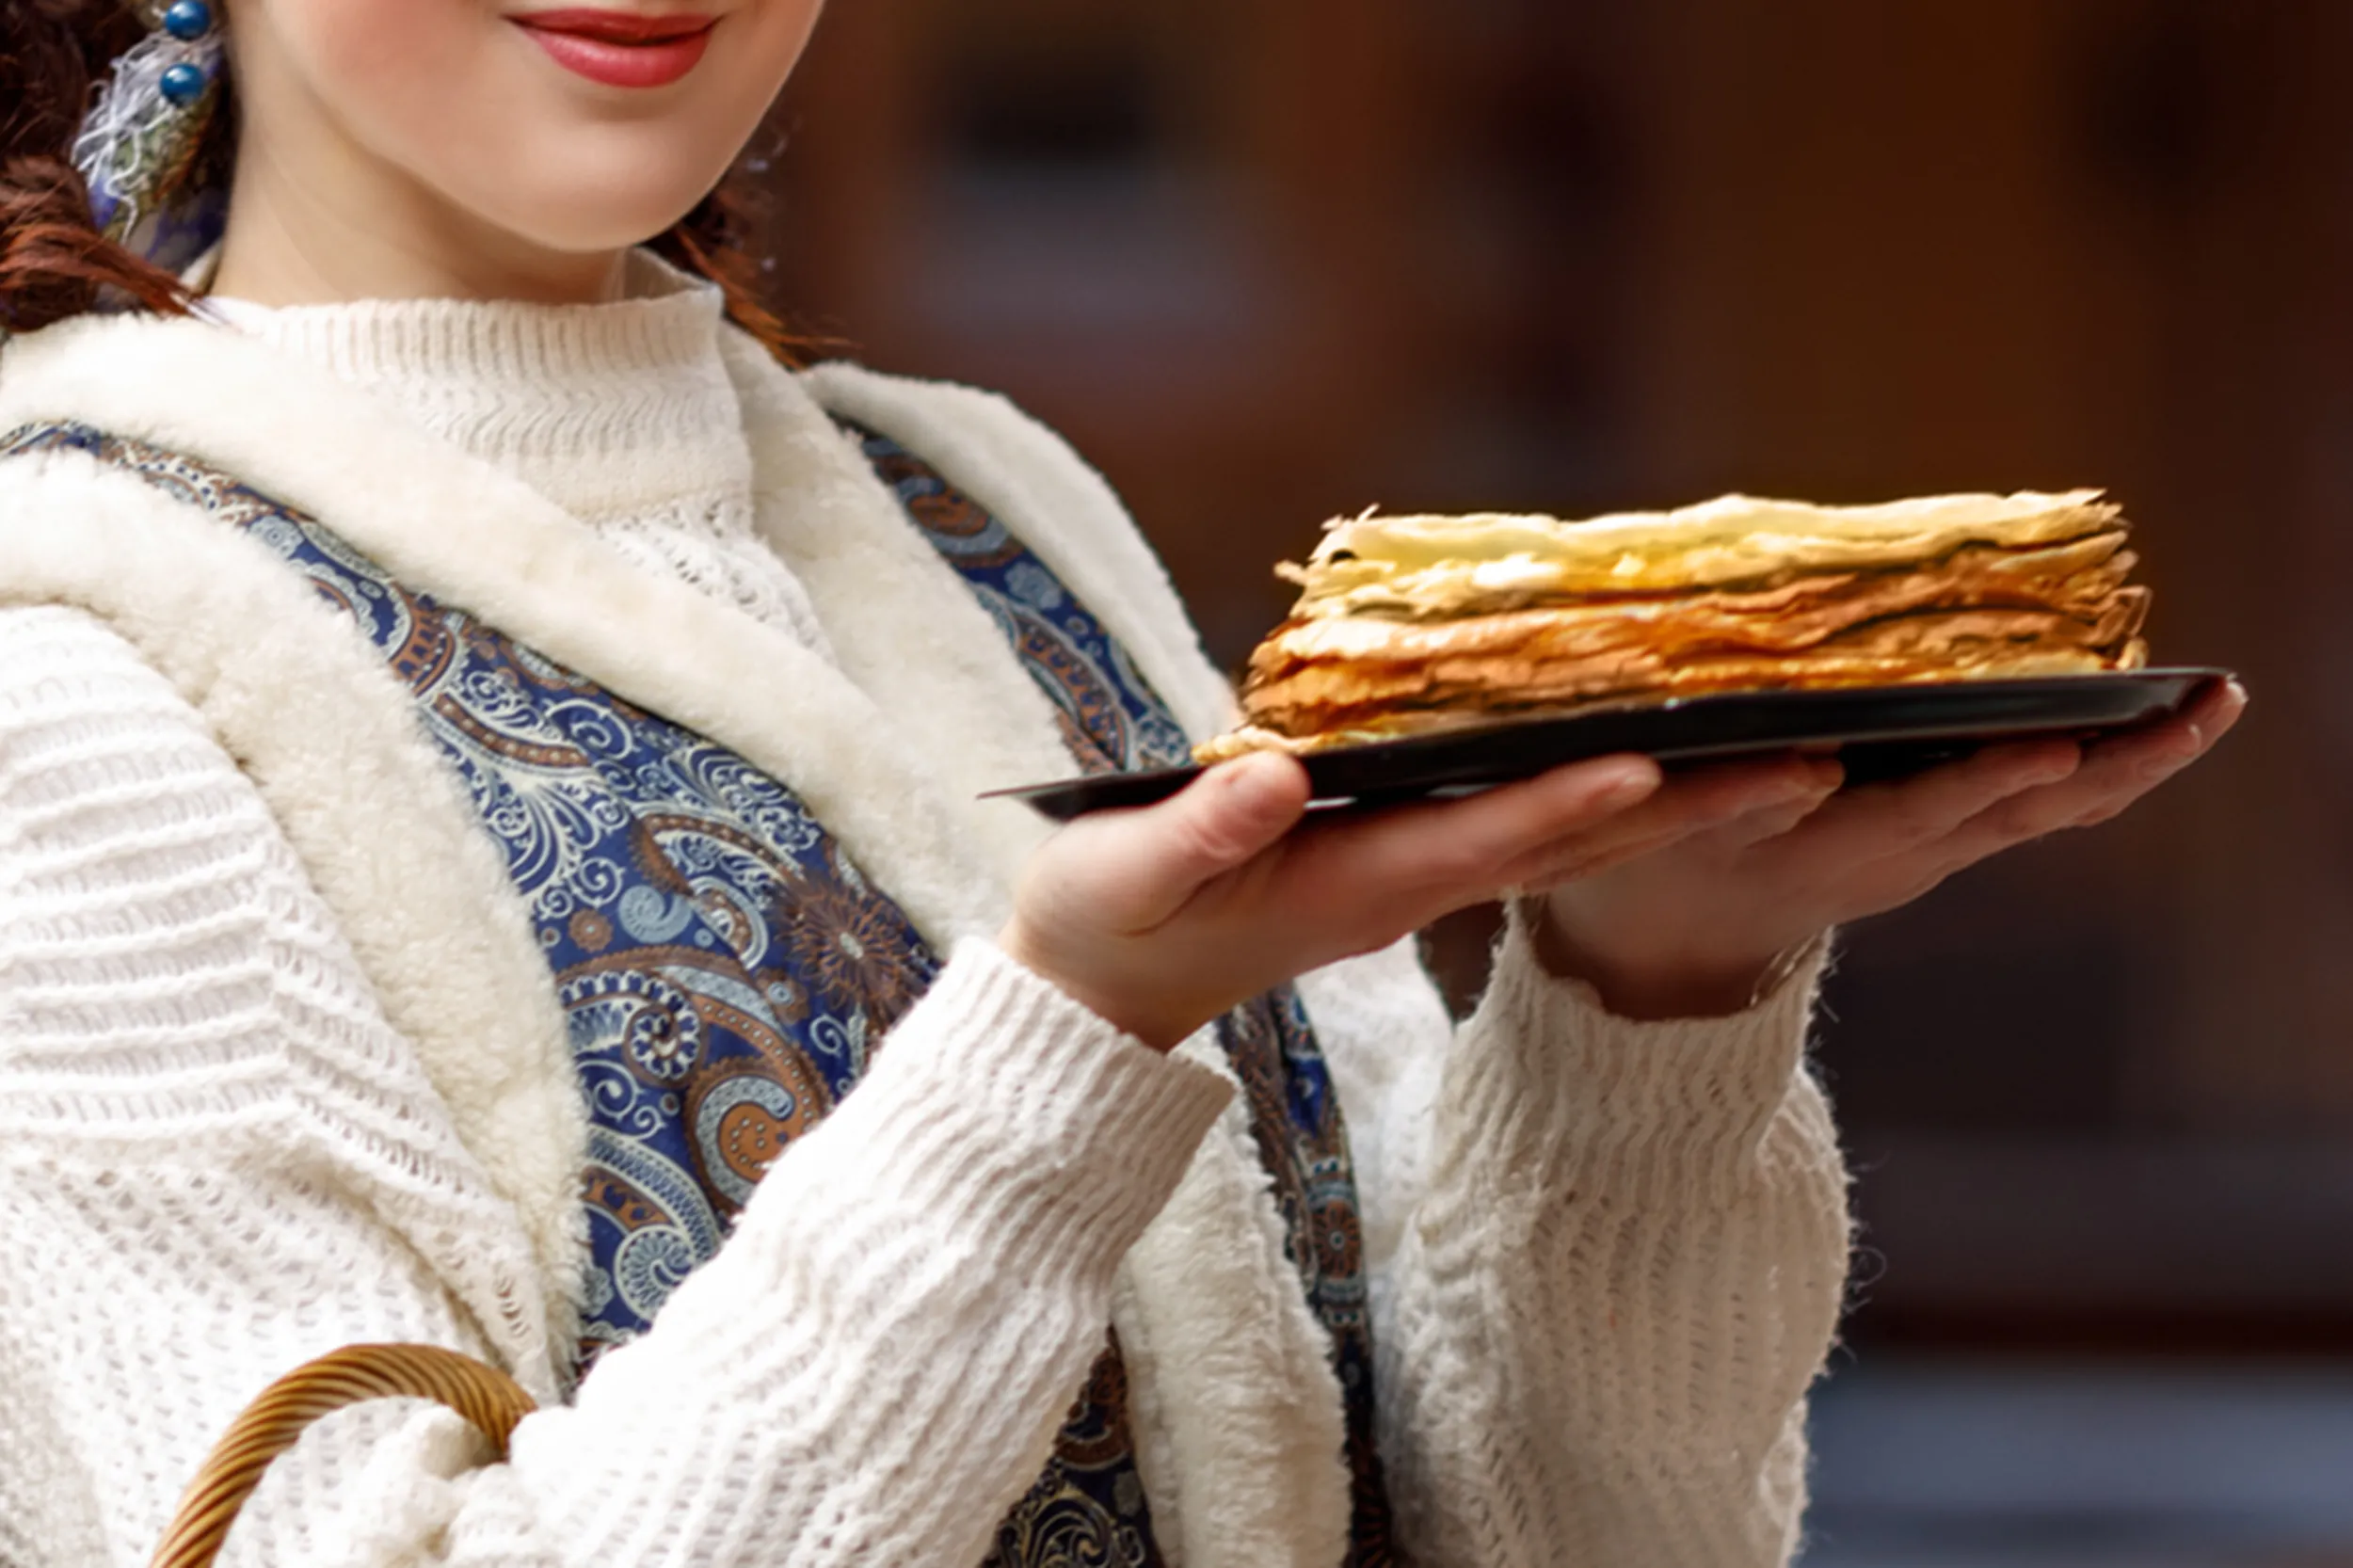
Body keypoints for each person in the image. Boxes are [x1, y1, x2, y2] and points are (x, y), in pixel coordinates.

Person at [0, 3, 2243, 1566]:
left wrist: (1652, 995)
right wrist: (1065, 1037)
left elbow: (1586, 1530)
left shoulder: (990, 517)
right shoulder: (77, 660)